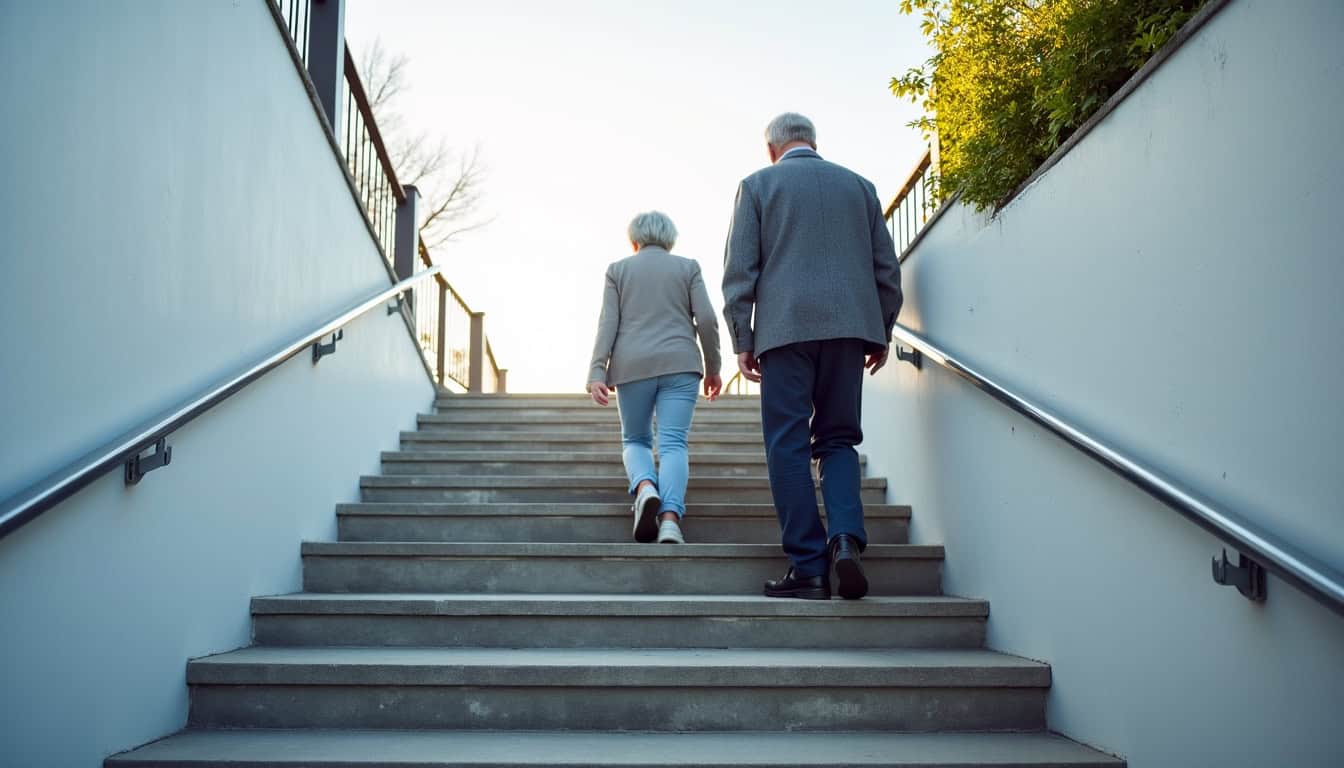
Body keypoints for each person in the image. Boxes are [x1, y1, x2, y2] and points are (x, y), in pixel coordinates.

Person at [722, 113, 902, 599]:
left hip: (784, 332)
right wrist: (880, 330)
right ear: (814, 143)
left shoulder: (757, 186)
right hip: (849, 331)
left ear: (771, 149)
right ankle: (844, 540)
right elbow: (886, 266)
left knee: (788, 445)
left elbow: (740, 271)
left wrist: (743, 337)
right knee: (839, 440)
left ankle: (808, 566)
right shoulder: (859, 187)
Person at [588, 211, 723, 544]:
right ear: (670, 239)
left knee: (636, 440)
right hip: (681, 363)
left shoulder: (618, 270)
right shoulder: (687, 267)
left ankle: (646, 487)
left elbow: (608, 323)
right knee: (674, 443)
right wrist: (713, 367)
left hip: (632, 366)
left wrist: (596, 371)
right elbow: (706, 318)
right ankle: (670, 521)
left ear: (634, 240)